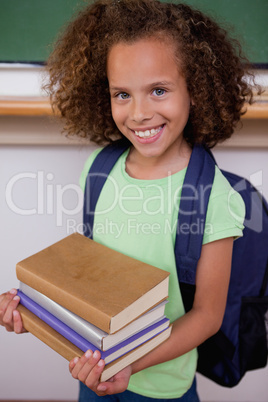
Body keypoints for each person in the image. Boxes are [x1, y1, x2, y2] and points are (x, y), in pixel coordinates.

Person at [0, 0, 259, 400]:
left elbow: (207, 316)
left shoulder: (215, 198)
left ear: (197, 87)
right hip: (94, 376)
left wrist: (128, 363)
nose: (139, 113)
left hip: (162, 388)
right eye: (122, 94)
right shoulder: (99, 171)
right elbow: (91, 281)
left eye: (158, 90)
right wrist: (33, 313)